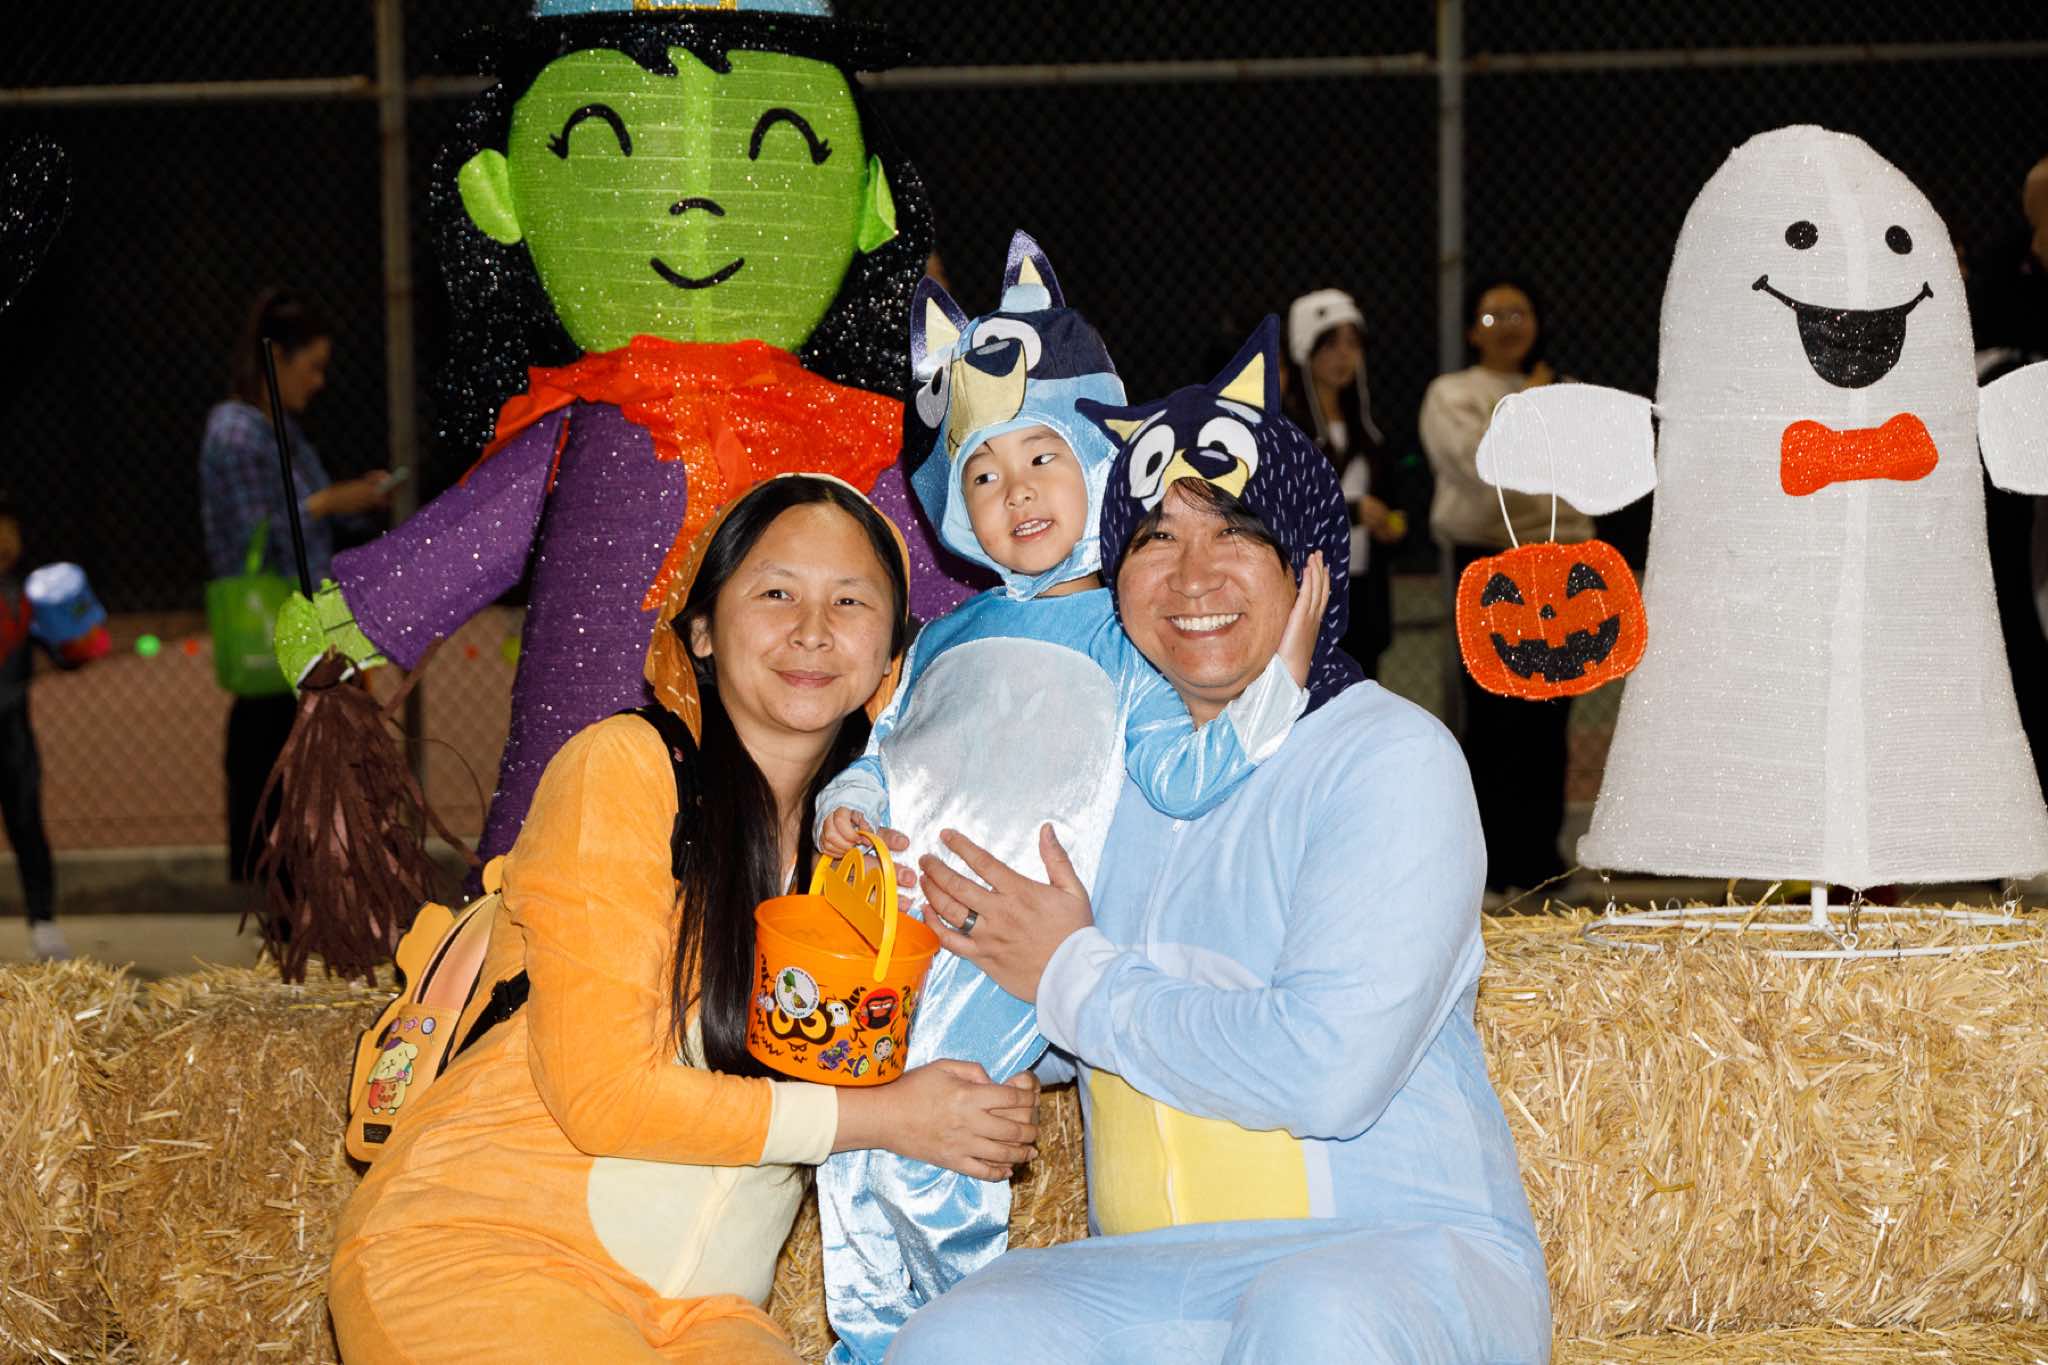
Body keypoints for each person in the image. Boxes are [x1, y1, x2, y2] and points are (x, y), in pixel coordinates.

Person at [886, 319, 1550, 1364]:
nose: (1191, 578)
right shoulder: (1102, 766)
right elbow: (1071, 1010)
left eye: (1235, 532)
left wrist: (1068, 975)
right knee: (952, 1343)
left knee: (1315, 1328)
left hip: (1387, 1249)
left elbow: (1326, 1072)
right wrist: (972, 1046)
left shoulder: (1384, 756)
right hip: (1149, 1273)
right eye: (1153, 539)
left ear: (1311, 565)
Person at [329, 474, 1040, 1363]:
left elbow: (930, 1043)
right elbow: (604, 1097)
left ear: (891, 656)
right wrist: (889, 1115)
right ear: (700, 628)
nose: (812, 630)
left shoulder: (870, 852)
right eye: (775, 592)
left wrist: (987, 1088)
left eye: (851, 601)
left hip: (707, 1317)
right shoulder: (626, 769)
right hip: (485, 1249)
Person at [811, 240, 1320, 1365]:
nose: (1017, 492)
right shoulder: (941, 635)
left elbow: (1182, 773)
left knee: (937, 1135)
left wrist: (1278, 681)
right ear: (955, 509)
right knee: (850, 1146)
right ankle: (872, 1343)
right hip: (887, 930)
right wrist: (843, 802)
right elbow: (884, 752)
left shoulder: (1125, 630)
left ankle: (960, 1336)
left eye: (1043, 456)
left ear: (1097, 459)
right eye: (983, 476)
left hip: (1007, 941)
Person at [197, 288, 390, 882]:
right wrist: (329, 503)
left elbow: (307, 525)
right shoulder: (237, 432)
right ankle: (282, 897)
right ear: (276, 358)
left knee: (317, 775)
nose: (320, 381)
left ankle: (301, 895)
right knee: (278, 770)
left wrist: (356, 503)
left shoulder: (282, 431)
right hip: (276, 631)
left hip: (306, 628)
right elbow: (254, 536)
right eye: (313, 366)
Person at [1419, 278, 1592, 897]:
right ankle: (1488, 862)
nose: (1510, 326)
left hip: (1561, 559)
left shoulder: (1565, 390)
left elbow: (1589, 469)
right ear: (1471, 330)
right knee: (1494, 713)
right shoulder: (1454, 393)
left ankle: (1542, 860)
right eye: (1494, 317)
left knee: (1552, 714)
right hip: (1490, 557)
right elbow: (1481, 464)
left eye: (1520, 313)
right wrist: (1533, 409)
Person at [1283, 288, 1410, 679]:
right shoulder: (1285, 426)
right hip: (1305, 590)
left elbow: (1390, 497)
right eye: (1330, 344)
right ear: (1305, 349)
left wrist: (1391, 525)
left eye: (1353, 344)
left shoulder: (1368, 425)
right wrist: (1354, 512)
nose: (1344, 356)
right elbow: (1284, 507)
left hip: (1362, 591)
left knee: (1364, 687)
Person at [0, 494, 65, 960]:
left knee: (26, 823)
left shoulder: (26, 596)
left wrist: (75, 627)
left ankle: (44, 923)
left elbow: (71, 652)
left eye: (9, 531)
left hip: (11, 731)